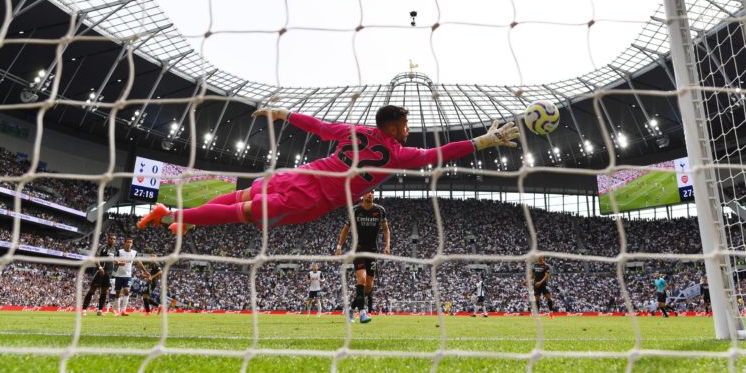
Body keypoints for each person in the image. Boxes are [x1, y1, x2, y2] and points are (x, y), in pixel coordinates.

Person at [138, 106, 518, 232]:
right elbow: (438, 154)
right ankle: (172, 213)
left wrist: (284, 113)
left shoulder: (355, 132)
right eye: (404, 124)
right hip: (313, 195)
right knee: (245, 213)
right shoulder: (399, 155)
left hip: (301, 172)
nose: (407, 129)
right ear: (391, 127)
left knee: (242, 194)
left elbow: (318, 126)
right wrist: (484, 141)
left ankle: (185, 218)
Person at [335, 191, 390, 324]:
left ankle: (351, 309)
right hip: (358, 249)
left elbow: (386, 229)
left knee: (369, 286)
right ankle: (362, 313)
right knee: (362, 278)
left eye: (372, 192)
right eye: (367, 192)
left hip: (372, 251)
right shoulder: (355, 210)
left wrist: (387, 245)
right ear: (362, 196)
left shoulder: (380, 210)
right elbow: (346, 229)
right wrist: (339, 246)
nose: (370, 194)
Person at [81, 234, 118, 316]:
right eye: (111, 238)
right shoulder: (102, 247)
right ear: (108, 239)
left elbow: (112, 261)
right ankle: (84, 309)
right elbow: (96, 257)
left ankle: (100, 310)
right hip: (100, 271)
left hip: (108, 274)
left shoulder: (114, 249)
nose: (113, 240)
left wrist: (118, 263)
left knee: (104, 291)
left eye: (114, 239)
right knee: (92, 289)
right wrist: (100, 267)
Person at [113, 237, 150, 316]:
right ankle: (117, 310)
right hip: (119, 275)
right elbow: (114, 262)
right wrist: (119, 263)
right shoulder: (119, 252)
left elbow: (139, 263)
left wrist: (146, 272)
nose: (129, 244)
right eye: (128, 242)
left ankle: (123, 311)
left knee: (126, 291)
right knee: (118, 293)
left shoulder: (134, 253)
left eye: (130, 242)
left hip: (128, 275)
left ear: (132, 244)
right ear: (125, 243)